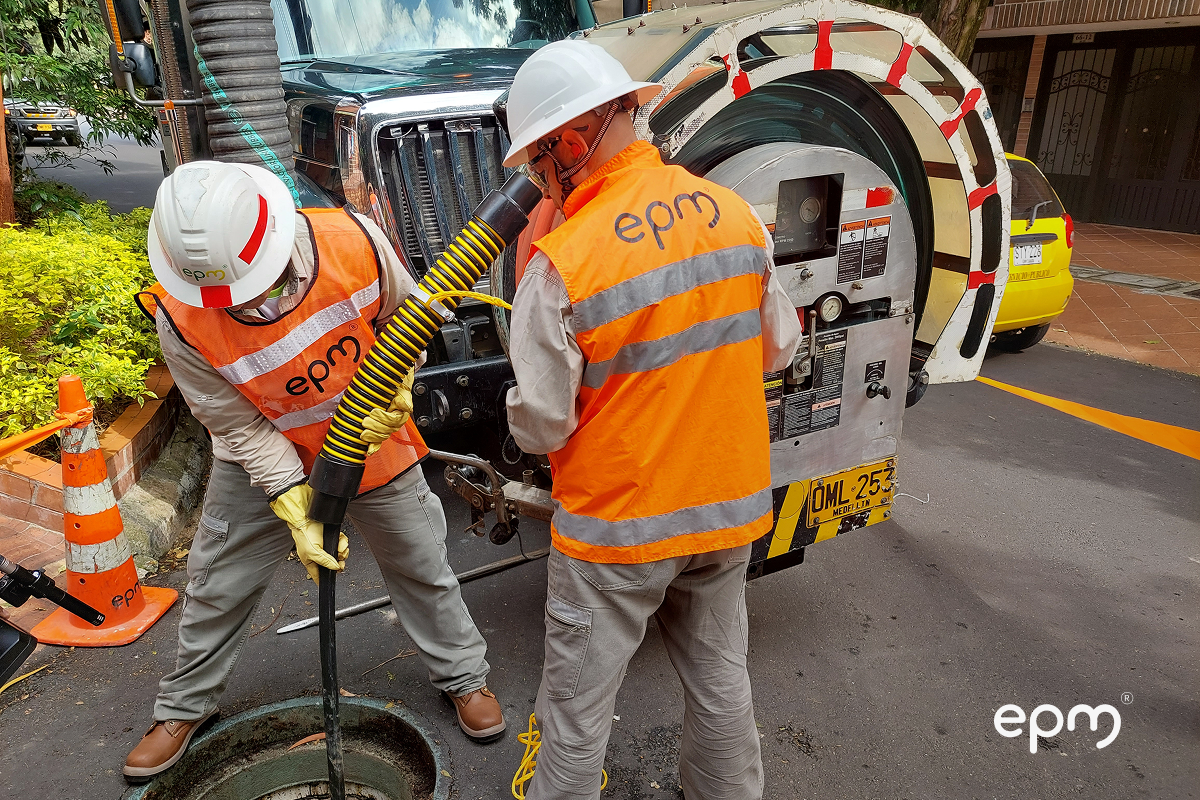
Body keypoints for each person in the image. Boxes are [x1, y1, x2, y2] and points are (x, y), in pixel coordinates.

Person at [124, 161, 504, 781]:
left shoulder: (352, 242)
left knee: (420, 559)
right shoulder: (180, 316)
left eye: (251, 287)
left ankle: (464, 676)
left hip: (367, 431)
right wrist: (289, 493)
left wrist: (396, 391)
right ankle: (182, 708)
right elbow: (235, 422)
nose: (243, 304)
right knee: (217, 581)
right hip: (264, 450)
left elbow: (409, 319)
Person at [501, 40, 803, 800]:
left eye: (539, 162)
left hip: (618, 534)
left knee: (574, 721)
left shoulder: (562, 261)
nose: (539, 180)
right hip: (728, 509)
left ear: (569, 144)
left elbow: (540, 426)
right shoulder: (734, 215)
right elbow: (778, 348)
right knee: (721, 687)